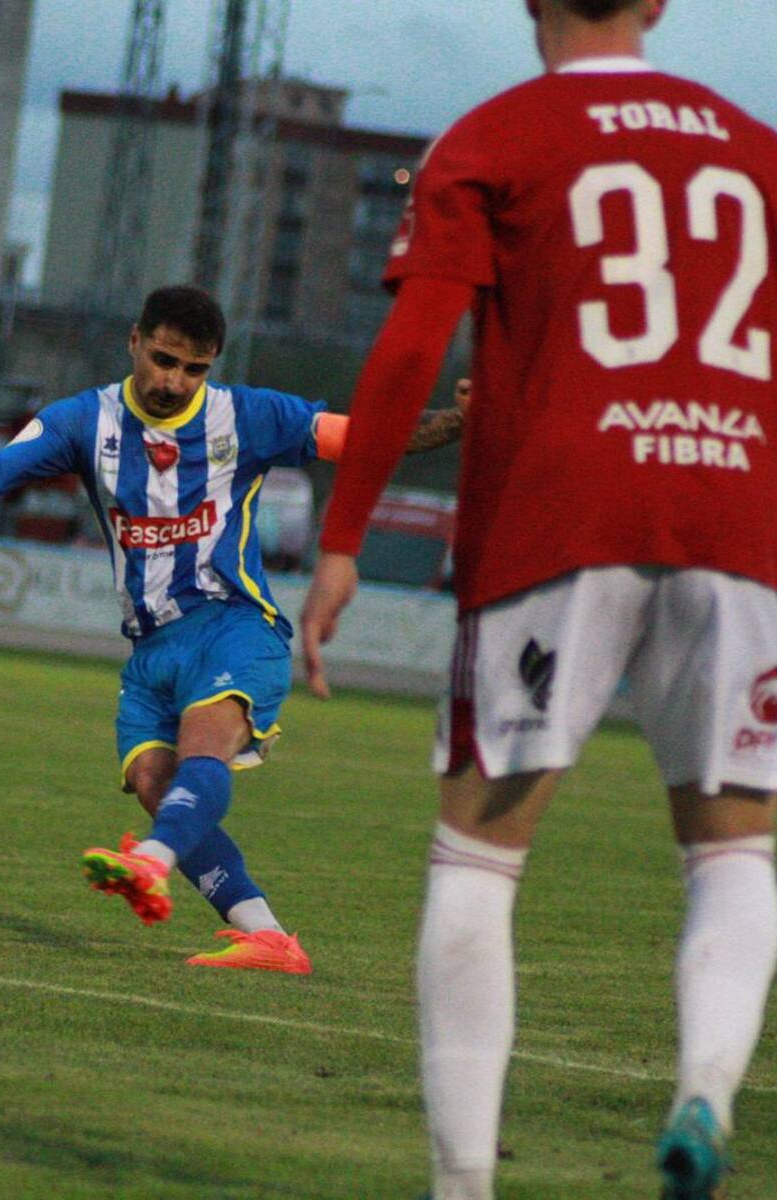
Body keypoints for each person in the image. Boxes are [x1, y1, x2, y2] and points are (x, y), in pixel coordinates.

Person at [300, 2, 777, 1197]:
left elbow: (413, 348)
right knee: (733, 854)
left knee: (478, 858)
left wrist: (345, 538)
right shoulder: (756, 152)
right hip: (739, 517)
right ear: (659, 2)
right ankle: (704, 1094)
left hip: (562, 514)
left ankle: (464, 1186)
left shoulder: (496, 137)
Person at [0, 284, 461, 971]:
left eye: (193, 369)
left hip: (234, 626)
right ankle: (269, 937)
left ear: (212, 366)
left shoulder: (249, 417)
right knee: (152, 782)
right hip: (150, 649)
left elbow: (368, 438)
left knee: (204, 743)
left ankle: (150, 861)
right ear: (134, 342)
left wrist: (458, 420)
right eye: (164, 359)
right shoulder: (86, 421)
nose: (174, 381)